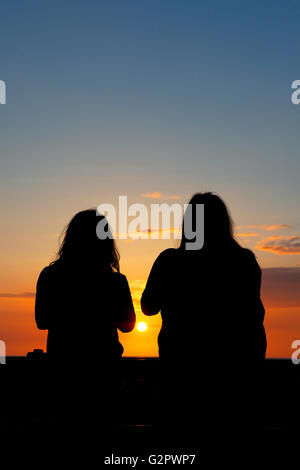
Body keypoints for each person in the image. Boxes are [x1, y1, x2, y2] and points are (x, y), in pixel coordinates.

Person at [141, 192, 266, 447]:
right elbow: (253, 320)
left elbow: (148, 307)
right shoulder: (244, 261)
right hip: (231, 379)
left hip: (179, 375)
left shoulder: (170, 261)